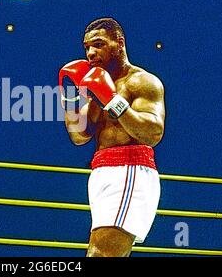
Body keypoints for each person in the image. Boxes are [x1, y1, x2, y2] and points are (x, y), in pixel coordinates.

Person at [59, 18, 165, 257]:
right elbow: (79, 136)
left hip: (130, 169)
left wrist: (112, 101)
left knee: (101, 253)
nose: (91, 53)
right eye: (87, 47)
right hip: (101, 172)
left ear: (119, 43)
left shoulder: (141, 81)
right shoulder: (96, 84)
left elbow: (153, 133)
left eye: (98, 44)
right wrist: (71, 96)